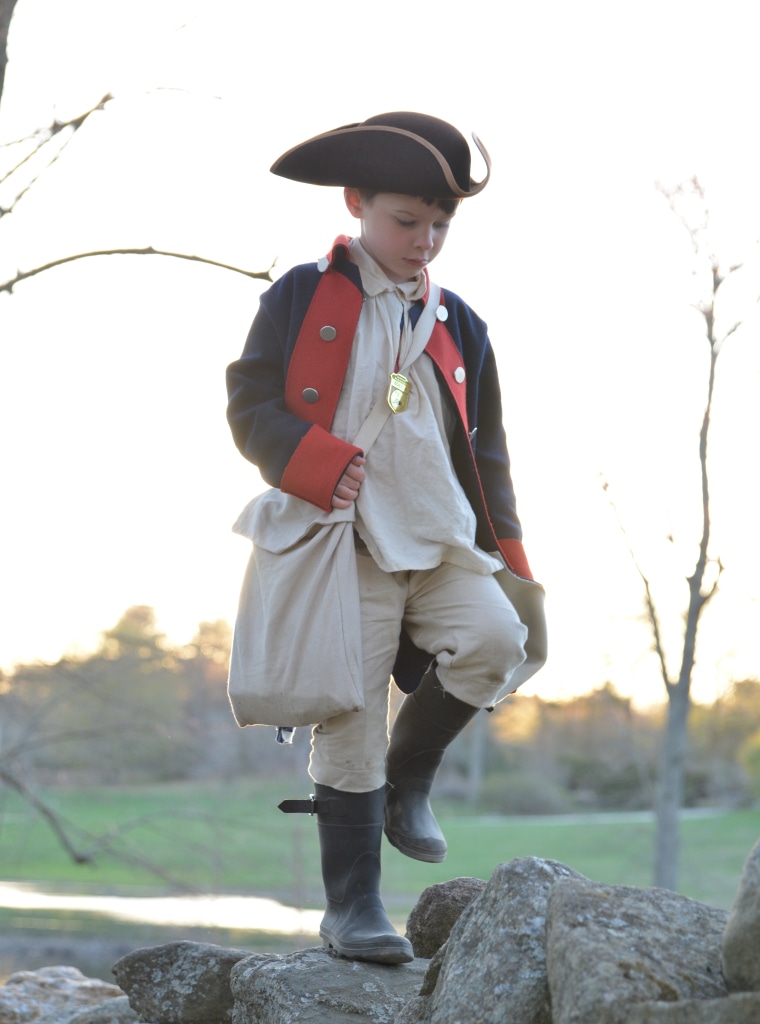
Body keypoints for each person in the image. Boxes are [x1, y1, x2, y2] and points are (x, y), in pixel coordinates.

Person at [225, 112, 546, 966]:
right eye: (409, 221)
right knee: (352, 718)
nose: (426, 240)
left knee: (495, 641)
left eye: (441, 225)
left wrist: (513, 563)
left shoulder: (461, 323)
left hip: (440, 541)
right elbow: (249, 405)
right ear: (357, 201)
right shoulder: (301, 294)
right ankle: (354, 908)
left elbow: (487, 454)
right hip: (346, 542)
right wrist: (310, 460)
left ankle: (411, 782)